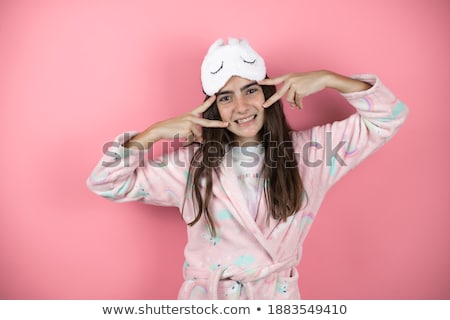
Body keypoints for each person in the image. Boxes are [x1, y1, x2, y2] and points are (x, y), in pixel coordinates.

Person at [86, 38, 408, 299]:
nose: (241, 107)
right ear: (212, 108)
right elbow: (105, 181)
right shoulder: (191, 166)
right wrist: (154, 132)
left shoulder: (313, 154)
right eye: (226, 97)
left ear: (268, 92)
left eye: (250, 90)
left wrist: (327, 78)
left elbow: (389, 116)